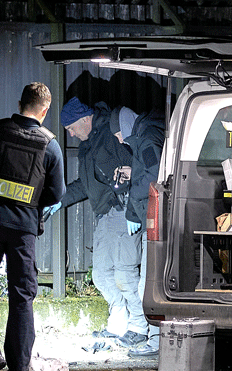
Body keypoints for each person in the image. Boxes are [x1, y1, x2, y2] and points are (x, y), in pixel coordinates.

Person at [0, 82, 64, 371]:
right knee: (21, 294)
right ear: (45, 111)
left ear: (20, 104)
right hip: (23, 228)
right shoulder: (50, 144)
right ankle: (18, 366)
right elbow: (56, 193)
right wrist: (32, 204)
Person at [59, 96, 147, 348]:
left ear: (85, 119)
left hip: (124, 210)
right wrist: (59, 201)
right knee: (100, 275)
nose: (71, 134)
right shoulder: (88, 144)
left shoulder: (111, 134)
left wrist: (133, 210)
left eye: (72, 128)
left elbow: (136, 170)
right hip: (105, 215)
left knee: (125, 273)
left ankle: (139, 326)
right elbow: (85, 185)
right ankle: (118, 323)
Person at [109, 106, 165, 357]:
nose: (120, 140)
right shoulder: (145, 136)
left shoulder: (147, 138)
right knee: (147, 281)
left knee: (148, 283)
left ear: (125, 127)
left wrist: (132, 204)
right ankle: (154, 338)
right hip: (152, 218)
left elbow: (154, 175)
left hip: (155, 219)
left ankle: (157, 341)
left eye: (118, 134)